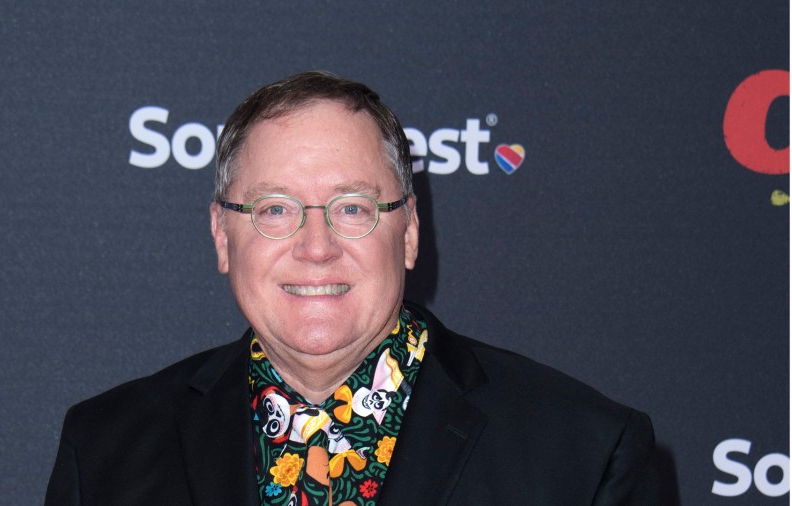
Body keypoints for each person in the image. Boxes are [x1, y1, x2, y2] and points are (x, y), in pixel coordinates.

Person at [45, 71, 658, 505]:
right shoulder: (105, 448)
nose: (317, 247)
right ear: (222, 236)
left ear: (410, 231)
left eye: (353, 208)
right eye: (276, 209)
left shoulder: (583, 453)